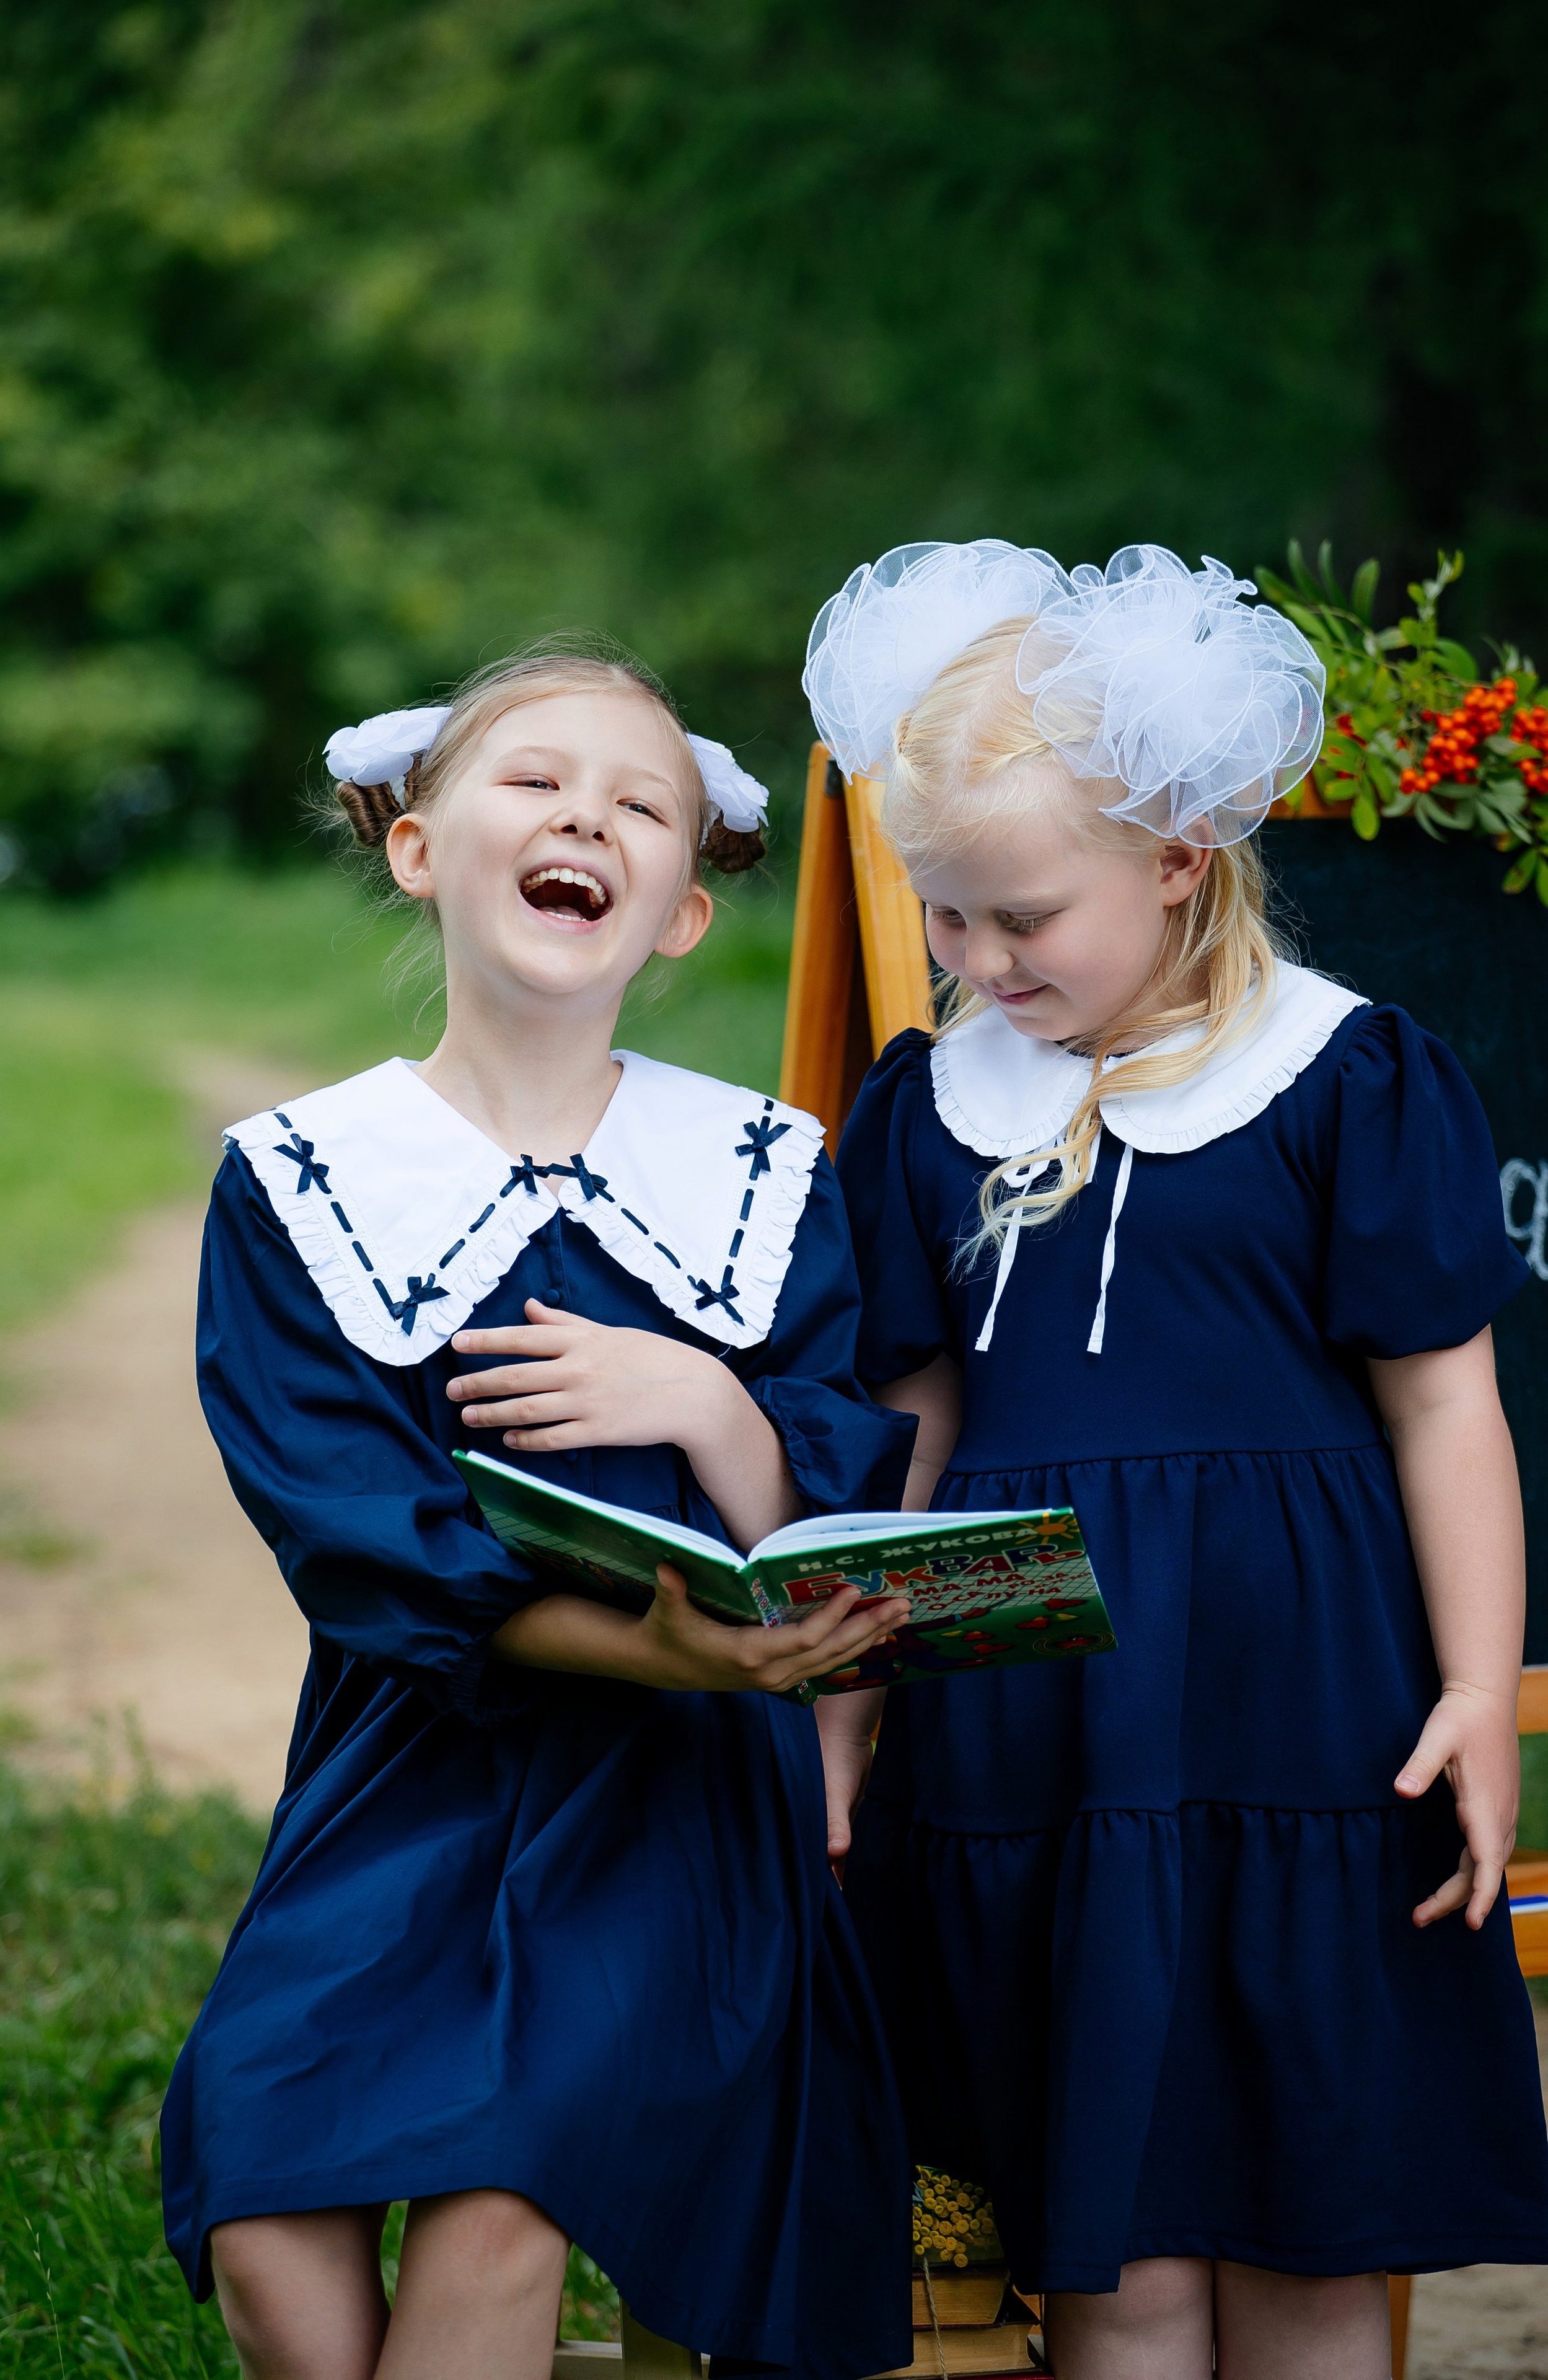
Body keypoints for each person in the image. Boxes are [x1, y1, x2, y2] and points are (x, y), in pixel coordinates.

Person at [805, 542, 1548, 2379]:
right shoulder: (929, 1106)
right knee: (1109, 2246)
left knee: (1308, 2226)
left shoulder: (1342, 1078)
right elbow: (923, 1424)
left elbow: (1445, 1404)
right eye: (944, 916)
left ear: (1177, 855)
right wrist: (846, 1707)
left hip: (1299, 1712)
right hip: (1030, 1718)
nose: (978, 961)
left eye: (1023, 916)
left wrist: (1477, 1691)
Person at [161, 646, 918, 2380]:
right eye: (536, 779)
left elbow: (821, 1505)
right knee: (266, 2213)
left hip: (679, 1806)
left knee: (500, 2200)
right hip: (411, 1767)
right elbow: (357, 1538)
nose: (587, 816)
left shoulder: (761, 1169)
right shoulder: (302, 1181)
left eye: (641, 804)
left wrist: (706, 1405)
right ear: (419, 848)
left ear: (680, 916)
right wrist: (661, 1646)